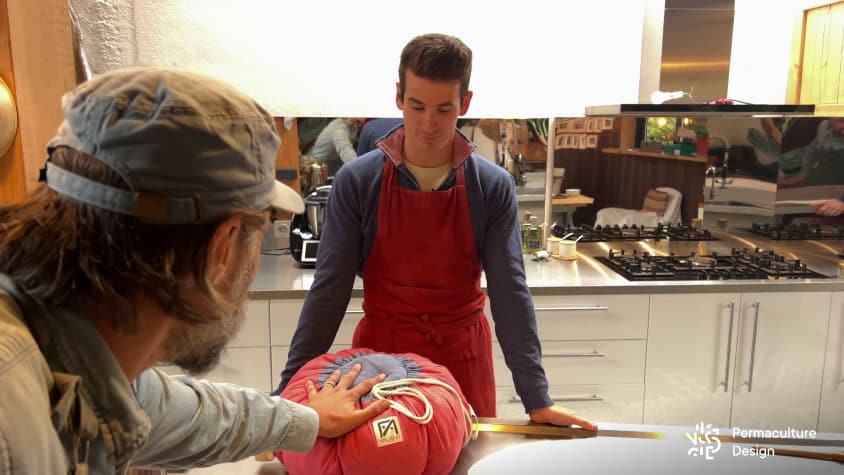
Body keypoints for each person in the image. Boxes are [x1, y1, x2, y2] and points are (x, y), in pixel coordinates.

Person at [0, 68, 390, 474]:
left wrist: (303, 420)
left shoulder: (83, 357)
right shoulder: (13, 432)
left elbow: (179, 413)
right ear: (224, 246)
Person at [277, 33, 597, 431]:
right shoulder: (358, 181)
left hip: (462, 361)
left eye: (444, 109)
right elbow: (330, 291)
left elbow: (510, 293)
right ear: (398, 96)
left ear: (465, 103)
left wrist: (537, 398)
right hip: (382, 366)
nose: (429, 124)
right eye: (417, 106)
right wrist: (286, 398)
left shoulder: (492, 186)